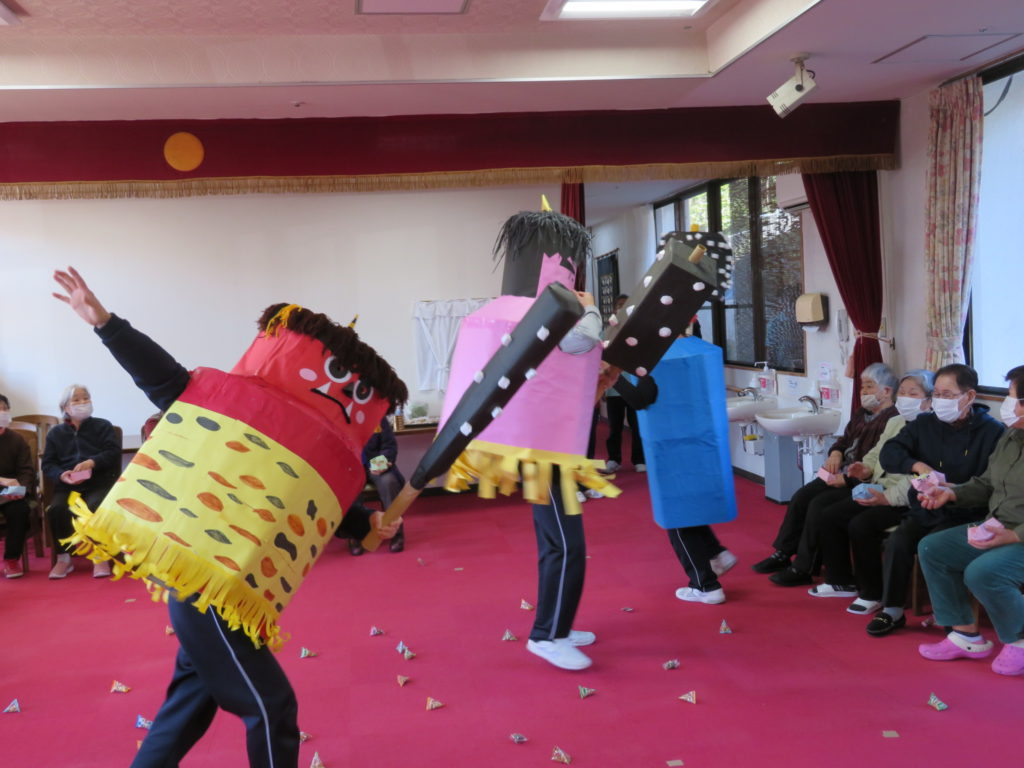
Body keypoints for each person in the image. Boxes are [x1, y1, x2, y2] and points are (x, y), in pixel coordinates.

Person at [52, 267, 405, 768]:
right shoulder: (223, 407)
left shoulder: (307, 445)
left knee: (186, 708)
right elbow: (163, 377)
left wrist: (364, 523)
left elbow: (314, 498)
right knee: (272, 706)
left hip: (232, 586)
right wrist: (106, 323)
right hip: (207, 585)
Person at [437, 204, 618, 671]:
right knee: (566, 546)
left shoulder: (519, 314)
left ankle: (558, 624)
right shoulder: (549, 312)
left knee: (556, 543)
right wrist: (590, 306)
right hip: (544, 452)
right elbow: (581, 340)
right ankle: (547, 635)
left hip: (548, 446)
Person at [855, 363, 1004, 636]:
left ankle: (951, 617)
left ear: (969, 396)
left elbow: (991, 482)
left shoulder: (993, 432)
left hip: (965, 511)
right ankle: (892, 610)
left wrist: (955, 490)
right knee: (899, 541)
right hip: (925, 505)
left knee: (933, 546)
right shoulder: (925, 423)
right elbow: (890, 453)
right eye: (936, 394)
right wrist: (917, 465)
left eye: (947, 395)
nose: (939, 401)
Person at [916, 365, 1024, 675]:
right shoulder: (1012, 435)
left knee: (984, 572)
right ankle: (965, 635)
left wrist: (1014, 536)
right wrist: (951, 493)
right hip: (999, 525)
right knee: (933, 549)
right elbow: (988, 483)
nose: (1006, 404)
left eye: (1012, 397)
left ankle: (1019, 640)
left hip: (1019, 535)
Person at [756, 363, 899, 587]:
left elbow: (880, 461)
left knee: (819, 504)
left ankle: (803, 567)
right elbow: (844, 440)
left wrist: (849, 478)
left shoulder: (893, 420)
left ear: (887, 391)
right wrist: (835, 453)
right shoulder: (862, 414)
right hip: (840, 471)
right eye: (863, 386)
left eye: (869, 386)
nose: (863, 392)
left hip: (861, 480)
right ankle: (783, 552)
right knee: (801, 496)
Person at [809, 370, 934, 607]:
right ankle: (840, 580)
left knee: (861, 524)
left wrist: (886, 497)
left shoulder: (932, 431)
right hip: (879, 487)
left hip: (906, 499)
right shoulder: (896, 421)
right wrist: (865, 468)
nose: (905, 398)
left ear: (929, 400)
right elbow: (878, 452)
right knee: (829, 514)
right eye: (902, 393)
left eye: (913, 394)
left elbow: (921, 477)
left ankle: (872, 593)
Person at [41, 383, 120, 579]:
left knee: (94, 506)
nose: (83, 402)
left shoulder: (103, 426)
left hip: (98, 483)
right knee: (57, 509)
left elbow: (112, 453)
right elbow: (48, 463)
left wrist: (92, 462)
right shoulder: (55, 433)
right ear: (65, 407)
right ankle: (64, 559)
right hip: (68, 487)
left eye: (86, 398)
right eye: (76, 400)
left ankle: (99, 556)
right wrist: (62, 474)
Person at [345, 416, 406, 555]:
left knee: (389, 481)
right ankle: (354, 535)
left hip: (376, 464)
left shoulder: (377, 417)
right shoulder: (339, 418)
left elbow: (389, 446)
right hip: (351, 466)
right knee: (349, 487)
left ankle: (396, 532)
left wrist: (381, 464)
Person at [600, 293, 646, 474]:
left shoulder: (639, 330)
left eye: (625, 305)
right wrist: (603, 386)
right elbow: (601, 359)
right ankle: (614, 459)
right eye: (619, 305)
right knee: (615, 427)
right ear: (614, 309)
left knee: (637, 426)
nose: (622, 308)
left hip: (633, 386)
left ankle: (639, 459)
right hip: (614, 387)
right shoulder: (607, 332)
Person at [0, 394, 36, 579]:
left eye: (4, 409)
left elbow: (26, 470)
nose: (1, 413)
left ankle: (12, 559)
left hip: (12, 491)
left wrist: (22, 490)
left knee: (19, 510)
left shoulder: (17, 439)